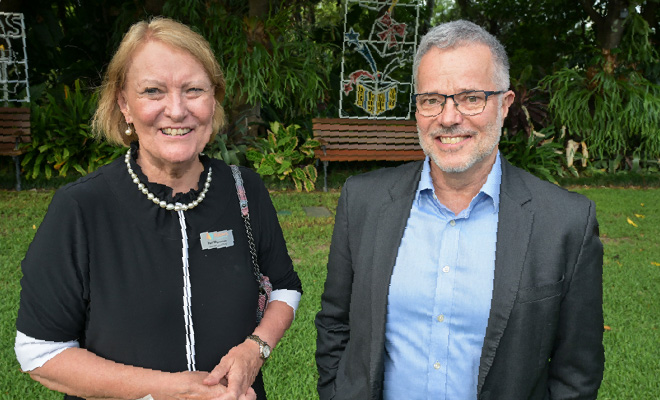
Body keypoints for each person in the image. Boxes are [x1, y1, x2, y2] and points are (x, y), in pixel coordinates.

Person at [15, 17, 302, 400]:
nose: (177, 110)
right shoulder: (81, 208)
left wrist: (256, 349)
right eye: (153, 91)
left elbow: (284, 287)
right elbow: (39, 351)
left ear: (213, 99)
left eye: (193, 90)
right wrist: (173, 390)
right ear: (124, 104)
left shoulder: (244, 189)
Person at [315, 19, 604, 400]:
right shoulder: (364, 201)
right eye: (432, 100)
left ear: (504, 105)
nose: (449, 118)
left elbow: (576, 373)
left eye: (471, 97)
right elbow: (336, 322)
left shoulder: (565, 222)